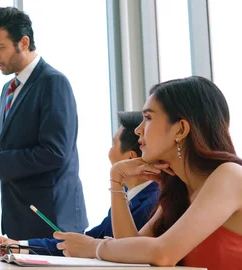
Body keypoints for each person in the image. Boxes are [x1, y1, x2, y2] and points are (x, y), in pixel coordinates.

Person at [55, 76, 242, 269]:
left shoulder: (230, 176)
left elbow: (163, 253)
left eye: (148, 118)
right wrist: (117, 178)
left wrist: (93, 246)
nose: (138, 130)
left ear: (181, 129)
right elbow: (131, 251)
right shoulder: (180, 190)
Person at [0, 7, 87, 240]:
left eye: (0, 47)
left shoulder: (53, 83)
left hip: (52, 222)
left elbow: (55, 153)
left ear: (23, 43)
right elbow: (15, 149)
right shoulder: (8, 89)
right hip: (20, 222)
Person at [0, 111, 159, 256]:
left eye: (112, 144)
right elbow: (84, 241)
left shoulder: (153, 202)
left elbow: (123, 249)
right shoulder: (127, 197)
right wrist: (19, 245)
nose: (109, 151)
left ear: (129, 157)